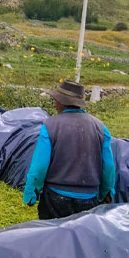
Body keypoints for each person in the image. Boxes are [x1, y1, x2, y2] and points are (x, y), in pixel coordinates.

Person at [23, 80, 116, 219]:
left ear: (62, 102)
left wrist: (32, 190)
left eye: (55, 100)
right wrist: (105, 192)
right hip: (89, 198)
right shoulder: (100, 127)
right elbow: (108, 166)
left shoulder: (50, 126)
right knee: (80, 238)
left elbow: (40, 165)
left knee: (53, 236)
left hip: (55, 197)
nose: (54, 103)